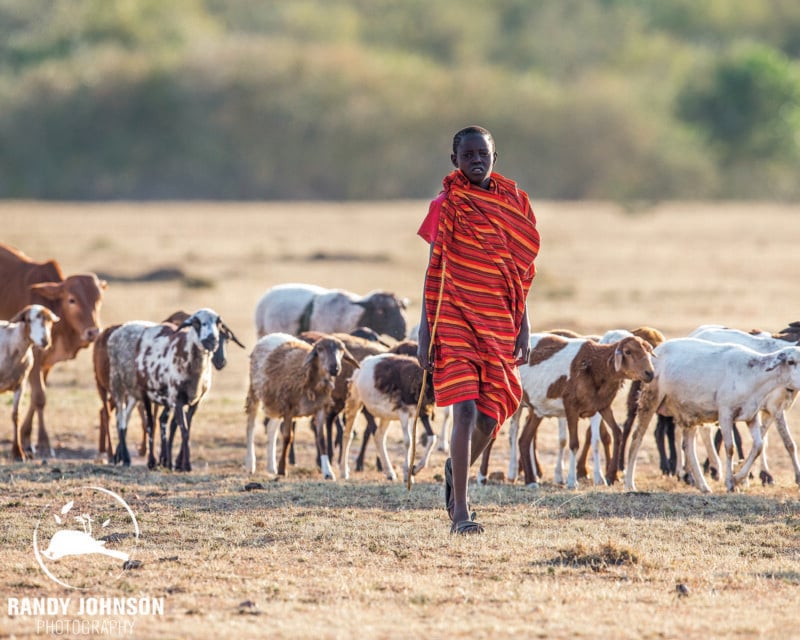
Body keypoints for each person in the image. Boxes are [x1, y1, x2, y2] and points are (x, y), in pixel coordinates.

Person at [416, 125, 540, 535]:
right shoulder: (446, 205)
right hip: (453, 317)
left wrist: (524, 325)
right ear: (454, 161)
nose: (475, 161)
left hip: (500, 319)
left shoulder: (515, 205)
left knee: (494, 409)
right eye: (467, 156)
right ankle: (461, 514)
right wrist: (423, 331)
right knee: (464, 409)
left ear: (494, 157)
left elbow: (519, 274)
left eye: (482, 154)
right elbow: (433, 269)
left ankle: (456, 468)